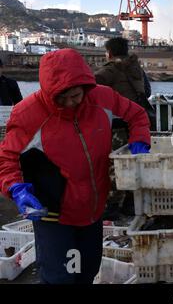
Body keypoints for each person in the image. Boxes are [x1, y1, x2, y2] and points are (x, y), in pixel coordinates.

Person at [0, 49, 151, 284]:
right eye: (63, 97)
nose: (71, 102)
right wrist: (16, 188)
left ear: (86, 87)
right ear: (50, 91)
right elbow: (6, 158)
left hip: (92, 209)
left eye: (76, 95)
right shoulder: (27, 113)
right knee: (59, 278)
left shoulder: (103, 97)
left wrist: (140, 139)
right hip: (53, 212)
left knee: (86, 272)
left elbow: (137, 115)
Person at [95, 38, 154, 219]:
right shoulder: (137, 69)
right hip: (138, 124)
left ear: (109, 53)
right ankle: (130, 204)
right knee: (134, 163)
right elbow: (148, 92)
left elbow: (90, 89)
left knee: (115, 165)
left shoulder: (109, 70)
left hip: (118, 124)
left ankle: (112, 207)